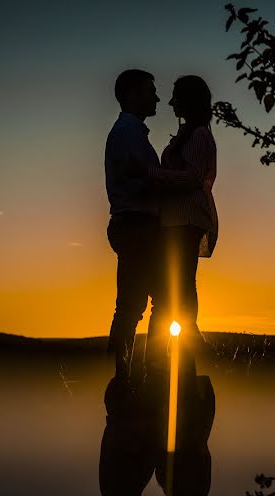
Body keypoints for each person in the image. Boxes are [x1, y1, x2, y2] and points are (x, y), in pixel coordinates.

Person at [143, 75, 218, 379]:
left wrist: (154, 176)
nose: (171, 102)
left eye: (176, 96)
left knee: (179, 285)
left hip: (186, 221)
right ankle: (174, 349)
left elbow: (191, 177)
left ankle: (174, 351)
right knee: (174, 285)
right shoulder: (188, 134)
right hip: (176, 220)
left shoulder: (199, 135)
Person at [103, 69, 161, 384]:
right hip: (137, 226)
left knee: (134, 302)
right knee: (143, 302)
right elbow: (148, 179)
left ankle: (130, 373)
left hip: (134, 225)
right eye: (150, 90)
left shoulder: (129, 132)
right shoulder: (128, 133)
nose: (157, 97)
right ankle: (134, 373)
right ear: (132, 94)